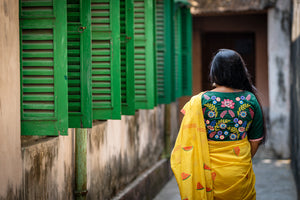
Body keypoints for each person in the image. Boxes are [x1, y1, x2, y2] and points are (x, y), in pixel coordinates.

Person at [171, 49, 265, 200]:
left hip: (207, 174)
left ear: (215, 73)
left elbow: (189, 140)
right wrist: (240, 157)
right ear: (240, 71)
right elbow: (255, 141)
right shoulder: (250, 99)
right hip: (239, 173)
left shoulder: (199, 101)